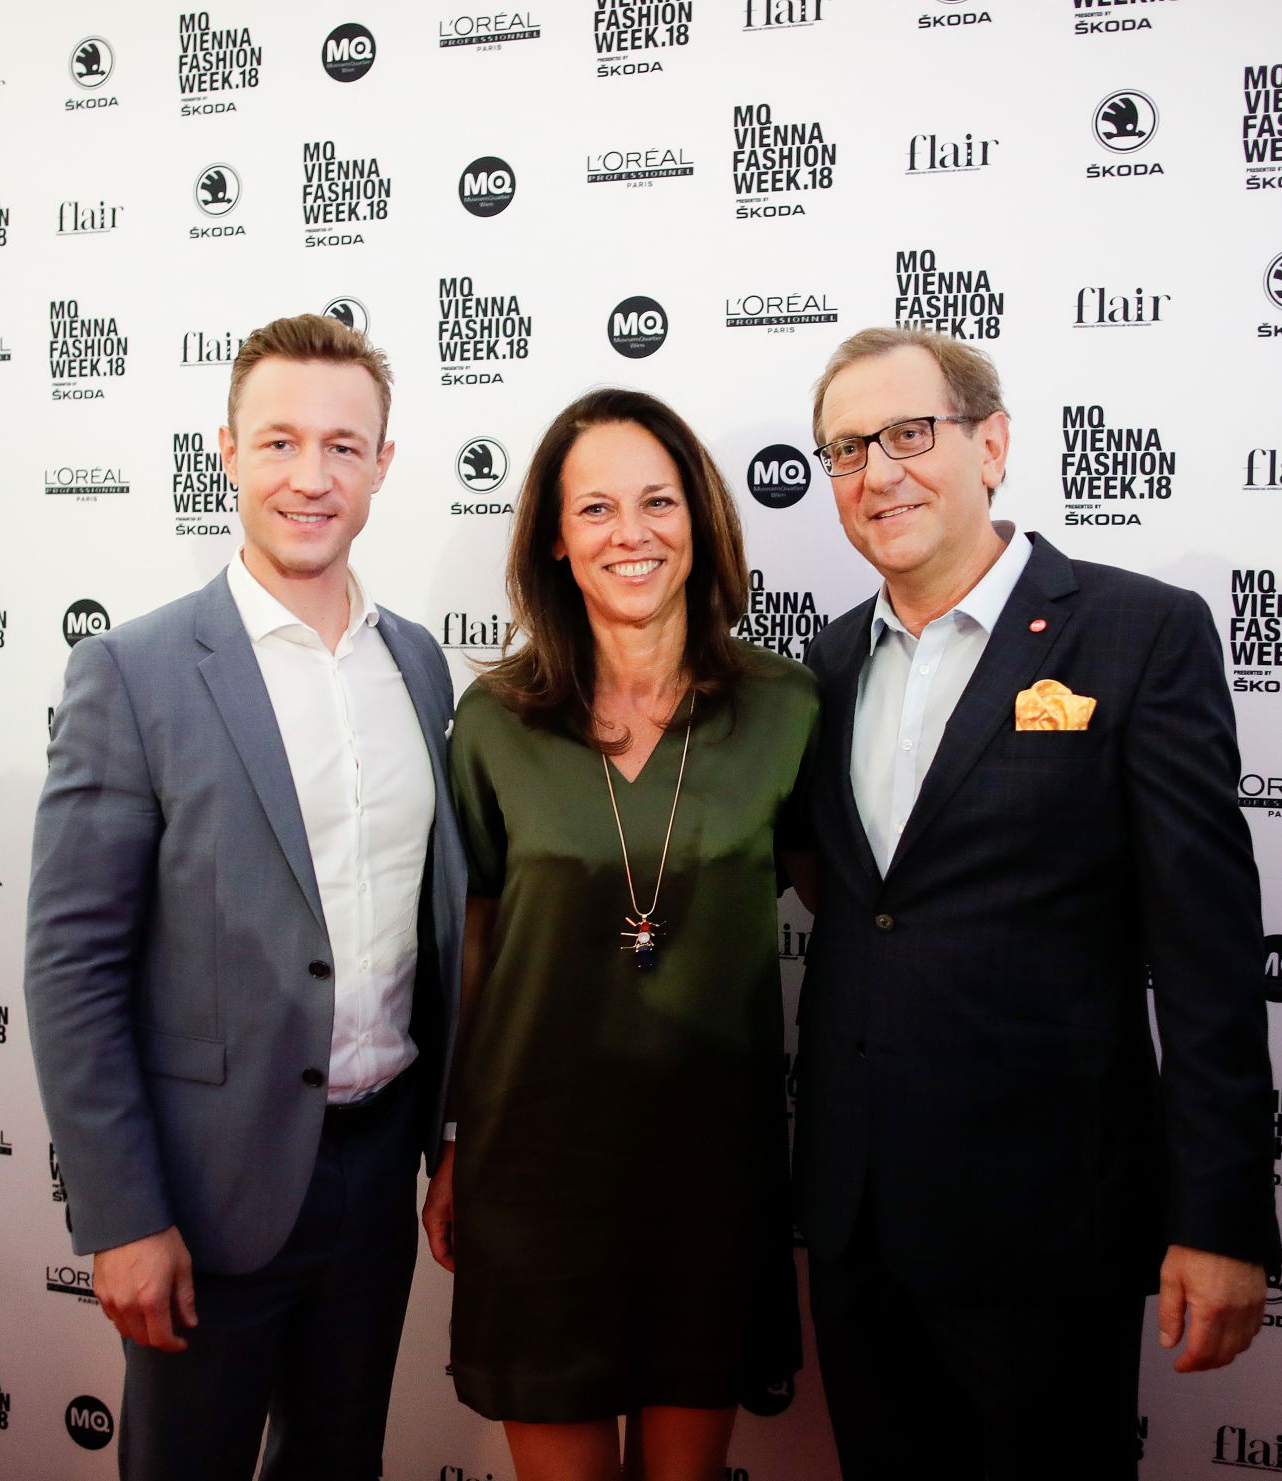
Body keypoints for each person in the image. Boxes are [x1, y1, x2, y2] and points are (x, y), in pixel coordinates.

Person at [795, 327, 1278, 1480]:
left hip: (1047, 1226)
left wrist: (1217, 1218)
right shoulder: (821, 666)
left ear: (992, 444)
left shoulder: (1138, 633)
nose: (878, 472)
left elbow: (1207, 958)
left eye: (910, 433)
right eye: (846, 449)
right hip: (856, 1218)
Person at [25, 313, 463, 1481]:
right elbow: (72, 966)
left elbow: (438, 924)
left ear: (382, 463)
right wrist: (120, 1214)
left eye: (340, 445)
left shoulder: (419, 663)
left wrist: (451, 1134)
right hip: (207, 1185)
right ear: (225, 452)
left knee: (338, 1464)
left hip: (378, 1168)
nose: (308, 477)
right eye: (277, 443)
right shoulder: (137, 671)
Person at [420, 388, 816, 1481]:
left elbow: (869, 917)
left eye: (656, 500)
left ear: (700, 517)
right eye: (593, 508)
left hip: (711, 1169)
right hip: (534, 1167)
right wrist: (450, 1135)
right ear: (554, 535)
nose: (628, 532)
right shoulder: (493, 719)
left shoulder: (787, 705)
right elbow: (476, 943)